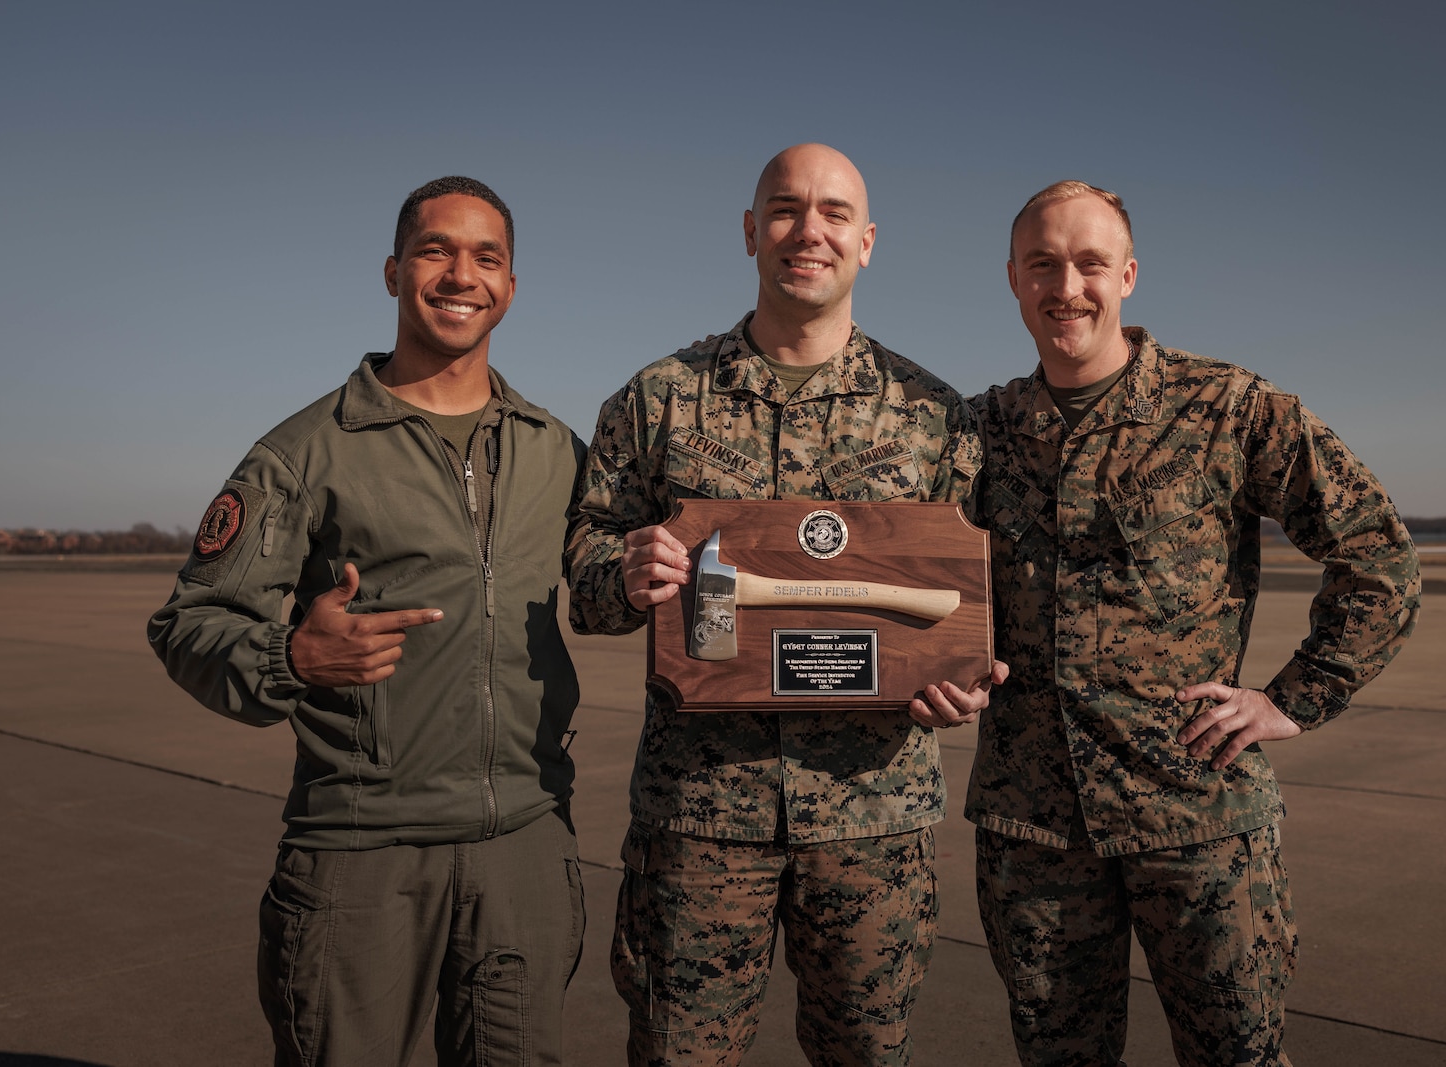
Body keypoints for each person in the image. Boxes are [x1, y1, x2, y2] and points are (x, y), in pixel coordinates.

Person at [969, 181, 1420, 1066]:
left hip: (1197, 818)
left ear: (1127, 274)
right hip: (1034, 832)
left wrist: (1293, 698)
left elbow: (1379, 556)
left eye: (1090, 263)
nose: (1068, 286)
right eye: (1043, 264)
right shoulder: (978, 430)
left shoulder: (1225, 407)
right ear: (1014, 281)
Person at [567, 143, 997, 1066]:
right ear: (750, 231)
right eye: (786, 209)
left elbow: (971, 602)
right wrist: (623, 572)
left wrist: (966, 682)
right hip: (698, 821)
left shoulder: (938, 418)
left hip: (873, 818)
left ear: (867, 241)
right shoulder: (658, 402)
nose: (810, 231)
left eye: (834, 212)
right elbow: (585, 582)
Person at [147, 176, 586, 1067]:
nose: (461, 274)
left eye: (486, 257)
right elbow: (189, 620)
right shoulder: (306, 451)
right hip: (361, 853)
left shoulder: (556, 449)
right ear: (393, 273)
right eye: (435, 250)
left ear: (510, 286)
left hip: (525, 850)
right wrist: (290, 655)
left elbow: (635, 573)